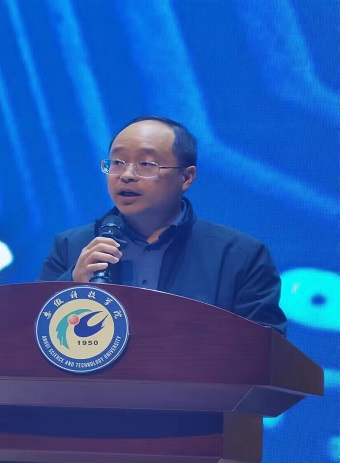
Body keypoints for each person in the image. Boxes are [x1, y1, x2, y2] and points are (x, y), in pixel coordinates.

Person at [38, 116, 287, 336]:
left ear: (186, 177)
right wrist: (71, 284)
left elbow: (266, 351)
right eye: (117, 162)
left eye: (146, 164)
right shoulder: (71, 247)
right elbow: (30, 334)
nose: (126, 175)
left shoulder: (240, 256)